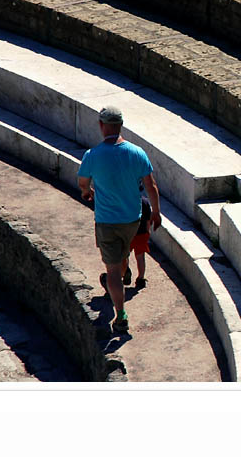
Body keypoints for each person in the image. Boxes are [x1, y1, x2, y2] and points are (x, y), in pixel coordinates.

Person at [78, 105, 161, 335]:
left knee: (112, 271)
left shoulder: (92, 155)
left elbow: (83, 183)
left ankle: (121, 314)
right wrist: (156, 212)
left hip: (107, 221)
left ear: (101, 126)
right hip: (132, 219)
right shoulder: (137, 153)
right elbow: (151, 186)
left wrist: (87, 192)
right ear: (121, 125)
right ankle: (124, 269)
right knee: (123, 253)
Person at [123, 195, 153, 290]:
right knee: (140, 257)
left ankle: (126, 271)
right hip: (142, 233)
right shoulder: (145, 202)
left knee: (124, 255)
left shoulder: (126, 200)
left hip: (129, 233)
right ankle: (141, 278)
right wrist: (148, 231)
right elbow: (148, 219)